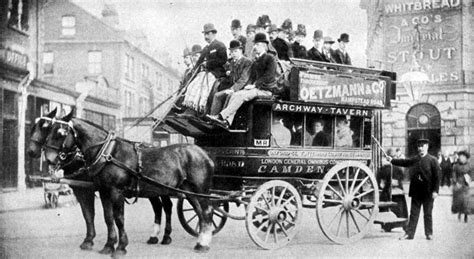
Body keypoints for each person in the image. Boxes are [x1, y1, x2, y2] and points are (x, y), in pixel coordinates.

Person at [207, 33, 278, 128]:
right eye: (255, 45)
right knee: (235, 94)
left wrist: (255, 85)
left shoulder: (270, 58)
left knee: (241, 96)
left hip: (266, 90)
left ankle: (221, 117)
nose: (255, 47)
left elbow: (269, 76)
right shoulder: (256, 60)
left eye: (257, 45)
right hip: (257, 89)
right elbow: (252, 76)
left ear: (264, 46)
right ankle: (227, 121)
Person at [387, 139, 440, 240]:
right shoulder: (415, 159)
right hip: (416, 192)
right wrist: (392, 160)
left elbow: (437, 177)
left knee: (427, 214)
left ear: (427, 147)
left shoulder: (433, 160)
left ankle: (429, 233)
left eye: (423, 146)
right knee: (413, 214)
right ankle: (409, 234)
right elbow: (404, 162)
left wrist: (435, 191)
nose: (420, 148)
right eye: (419, 146)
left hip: (428, 192)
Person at [208, 40, 252, 116]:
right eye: (232, 52)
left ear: (241, 51)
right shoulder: (232, 62)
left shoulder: (247, 62)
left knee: (228, 96)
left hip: (242, 88)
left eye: (235, 51)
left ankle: (222, 118)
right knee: (217, 95)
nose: (233, 54)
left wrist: (232, 89)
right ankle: (213, 117)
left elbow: (243, 80)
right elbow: (230, 77)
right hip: (232, 87)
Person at [451, 151, 472, 223]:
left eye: (463, 157)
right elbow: (454, 175)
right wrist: (455, 182)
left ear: (466, 158)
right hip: (458, 184)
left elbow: (472, 174)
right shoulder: (456, 166)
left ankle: (466, 215)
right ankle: (459, 213)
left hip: (466, 184)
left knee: (466, 201)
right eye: (460, 157)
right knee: (459, 200)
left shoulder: (469, 166)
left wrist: (470, 179)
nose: (461, 158)